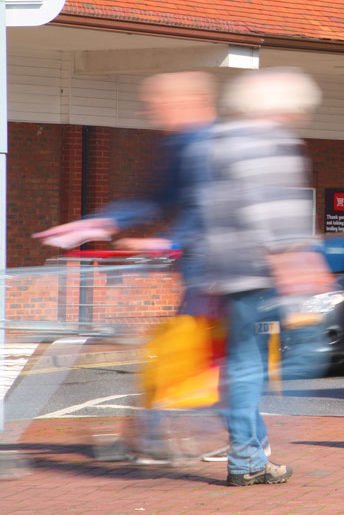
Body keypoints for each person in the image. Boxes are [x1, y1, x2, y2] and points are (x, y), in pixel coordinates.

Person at [33, 71, 221, 463]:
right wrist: (98, 222)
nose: (150, 111)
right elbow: (154, 198)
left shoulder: (207, 144)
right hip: (200, 269)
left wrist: (169, 242)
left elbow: (209, 208)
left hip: (219, 269)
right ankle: (156, 435)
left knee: (200, 354)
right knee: (186, 351)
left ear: (188, 102)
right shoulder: (181, 143)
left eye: (158, 103)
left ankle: (230, 439)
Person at [196, 67, 323, 487]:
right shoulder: (272, 143)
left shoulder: (218, 143)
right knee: (297, 354)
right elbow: (270, 208)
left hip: (226, 272)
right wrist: (296, 260)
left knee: (240, 365)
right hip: (261, 268)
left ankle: (248, 456)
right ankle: (248, 455)